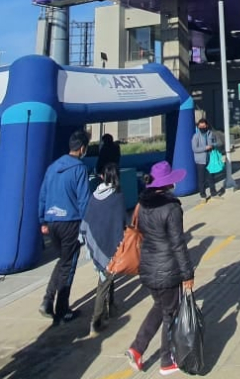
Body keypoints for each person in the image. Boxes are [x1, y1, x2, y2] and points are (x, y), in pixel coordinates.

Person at [125, 161, 194, 376]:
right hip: (167, 270)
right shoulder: (171, 208)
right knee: (170, 314)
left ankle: (137, 348)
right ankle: (167, 360)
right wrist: (187, 274)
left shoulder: (142, 204)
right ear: (168, 182)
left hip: (147, 267)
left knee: (160, 307)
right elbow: (178, 244)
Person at [38, 129, 92, 323]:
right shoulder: (79, 169)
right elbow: (84, 200)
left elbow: (43, 195)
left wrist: (42, 220)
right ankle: (62, 309)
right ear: (82, 148)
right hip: (70, 222)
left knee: (62, 261)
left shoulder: (52, 168)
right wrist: (87, 225)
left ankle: (47, 300)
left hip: (52, 221)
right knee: (68, 265)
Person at [81, 163, 127, 335]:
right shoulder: (117, 196)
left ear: (102, 177)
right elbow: (121, 222)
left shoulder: (95, 195)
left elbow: (88, 220)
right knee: (104, 283)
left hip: (96, 241)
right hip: (111, 243)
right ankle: (96, 320)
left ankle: (111, 306)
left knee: (108, 275)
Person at [191, 118, 222, 202]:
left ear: (207, 126)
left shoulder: (210, 134)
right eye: (200, 127)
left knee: (211, 177)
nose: (202, 128)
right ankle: (203, 196)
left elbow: (217, 143)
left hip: (210, 159)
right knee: (201, 179)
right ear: (198, 127)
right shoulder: (196, 136)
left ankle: (213, 193)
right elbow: (195, 149)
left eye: (204, 126)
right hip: (200, 161)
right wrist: (205, 148)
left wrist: (213, 145)